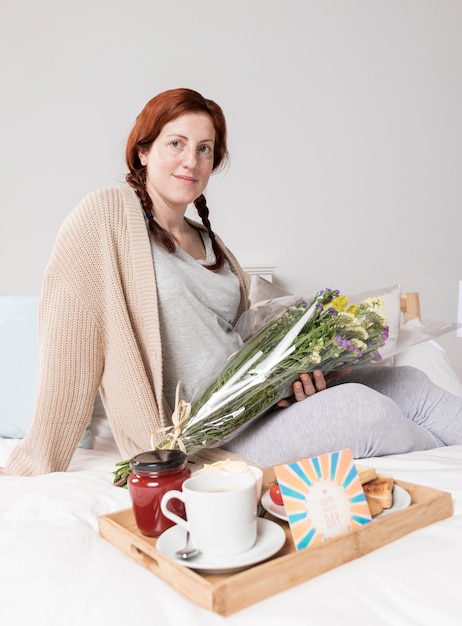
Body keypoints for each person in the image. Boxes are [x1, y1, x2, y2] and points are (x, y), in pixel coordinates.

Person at [3, 87, 462, 476]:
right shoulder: (107, 217)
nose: (192, 160)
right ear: (143, 151)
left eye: (204, 148)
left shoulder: (212, 243)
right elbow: (70, 333)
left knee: (409, 381)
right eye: (176, 143)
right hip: (204, 441)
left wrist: (299, 376)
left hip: (261, 402)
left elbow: (245, 339)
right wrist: (38, 459)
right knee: (365, 410)